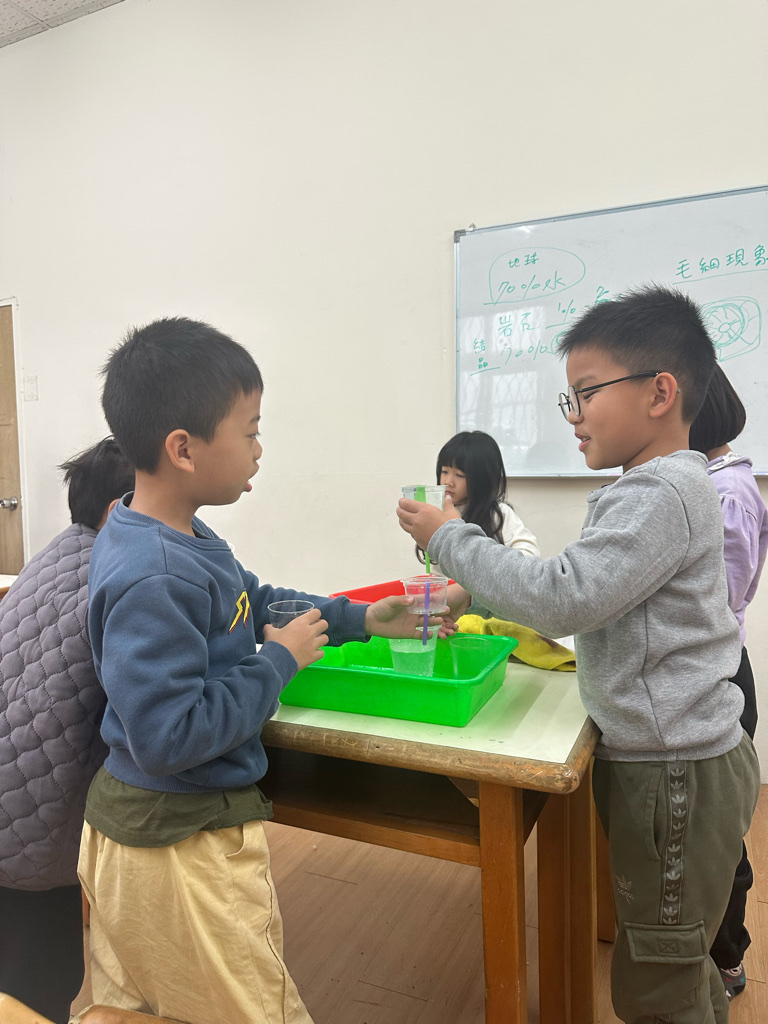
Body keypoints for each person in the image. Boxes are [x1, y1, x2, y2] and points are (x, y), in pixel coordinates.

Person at [76, 316, 457, 1024]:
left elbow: (258, 601)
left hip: (156, 834)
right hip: (177, 841)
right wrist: (276, 664)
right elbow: (168, 734)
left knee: (135, 1009)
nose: (259, 449)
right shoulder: (155, 574)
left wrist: (361, 619)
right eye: (250, 431)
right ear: (183, 449)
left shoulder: (179, 535)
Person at [397, 286, 761, 1024]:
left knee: (658, 986)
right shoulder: (658, 488)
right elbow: (580, 593)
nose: (574, 415)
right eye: (572, 397)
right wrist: (472, 585)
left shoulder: (661, 494)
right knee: (672, 961)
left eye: (587, 393)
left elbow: (563, 596)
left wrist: (447, 536)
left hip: (674, 772)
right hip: (671, 760)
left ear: (660, 393)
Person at [0, 438, 134, 1024]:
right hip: (36, 824)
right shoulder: (111, 581)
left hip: (15, 798)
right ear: (118, 510)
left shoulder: (54, 555)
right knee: (42, 982)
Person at [689, 362, 768, 1000]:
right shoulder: (703, 483)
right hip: (704, 671)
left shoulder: (729, 492)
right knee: (695, 824)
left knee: (720, 830)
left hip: (720, 676)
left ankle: (728, 956)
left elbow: (722, 596)